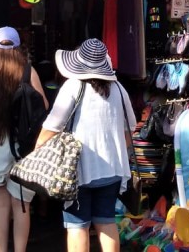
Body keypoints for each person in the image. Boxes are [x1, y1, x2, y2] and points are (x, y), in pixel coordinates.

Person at [35, 38, 135, 252]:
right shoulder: (118, 89)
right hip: (113, 169)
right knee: (106, 222)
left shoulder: (73, 86)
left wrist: (36, 156)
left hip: (79, 170)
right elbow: (130, 131)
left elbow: (51, 128)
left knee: (77, 226)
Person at [0, 26, 49, 252]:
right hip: (24, 145)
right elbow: (43, 106)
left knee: (1, 205)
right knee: (21, 206)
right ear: (18, 48)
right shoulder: (27, 70)